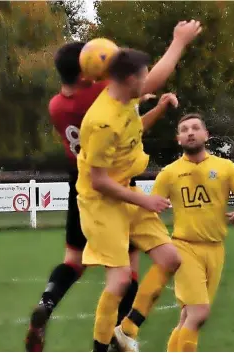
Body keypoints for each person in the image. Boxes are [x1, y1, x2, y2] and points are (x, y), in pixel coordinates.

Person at [76, 21, 202, 352]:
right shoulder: (101, 122)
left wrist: (178, 42)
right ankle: (100, 348)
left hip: (126, 194)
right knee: (118, 281)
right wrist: (143, 201)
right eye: (143, 77)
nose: (148, 82)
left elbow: (137, 119)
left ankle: (126, 330)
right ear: (130, 80)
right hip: (102, 203)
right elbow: (98, 181)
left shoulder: (125, 99)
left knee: (171, 260)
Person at [25, 41, 146, 352]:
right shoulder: (97, 96)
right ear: (85, 71)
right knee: (128, 268)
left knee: (73, 260)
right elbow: (132, 87)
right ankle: (118, 336)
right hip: (111, 182)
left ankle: (46, 303)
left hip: (77, 183)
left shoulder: (56, 106)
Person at [150, 113, 234, 352]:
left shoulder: (225, 167)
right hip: (184, 247)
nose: (190, 132)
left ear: (206, 135)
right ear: (178, 138)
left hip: (216, 249)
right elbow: (149, 212)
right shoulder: (169, 173)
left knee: (190, 316)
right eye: (185, 129)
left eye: (195, 128)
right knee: (199, 312)